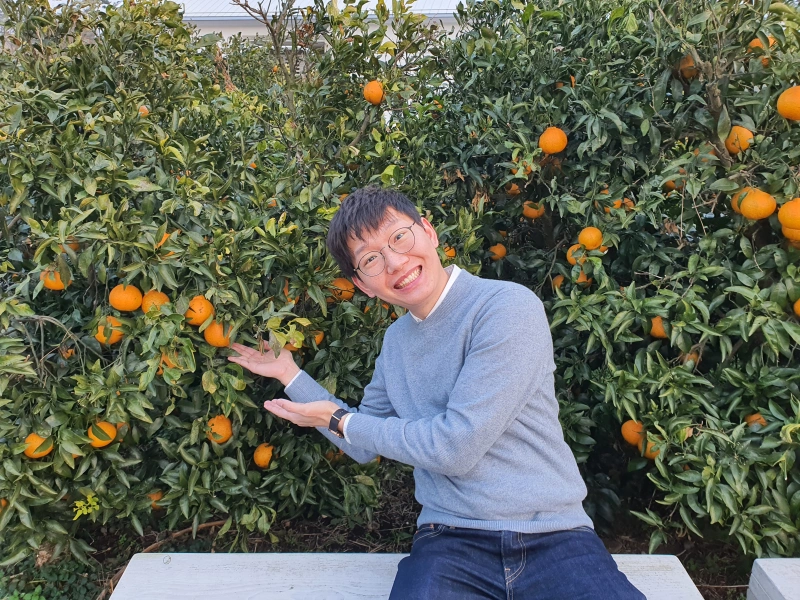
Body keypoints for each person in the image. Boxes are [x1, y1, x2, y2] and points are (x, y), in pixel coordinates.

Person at [228, 186, 645, 599]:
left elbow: (455, 447)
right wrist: (289, 373)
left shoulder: (505, 307)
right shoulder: (395, 342)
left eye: (399, 237)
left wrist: (340, 420)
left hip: (554, 536)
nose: (394, 262)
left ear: (428, 231)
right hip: (450, 540)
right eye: (371, 259)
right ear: (363, 284)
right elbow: (361, 441)